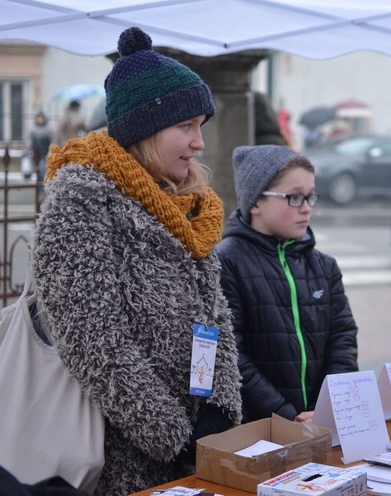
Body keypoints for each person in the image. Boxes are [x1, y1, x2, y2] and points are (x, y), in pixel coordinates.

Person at [31, 27, 243, 495]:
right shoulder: (82, 199)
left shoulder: (189, 201)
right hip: (120, 456)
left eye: (201, 126)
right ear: (145, 129)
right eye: (185, 127)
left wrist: (218, 408)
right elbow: (92, 338)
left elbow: (215, 316)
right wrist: (171, 434)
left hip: (195, 446)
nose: (199, 143)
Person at [216, 145, 359, 424]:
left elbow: (342, 339)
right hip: (261, 429)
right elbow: (231, 354)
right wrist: (287, 415)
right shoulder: (227, 262)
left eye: (309, 197)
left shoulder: (324, 266)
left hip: (321, 422)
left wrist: (329, 407)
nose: (306, 208)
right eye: (294, 197)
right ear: (256, 202)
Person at [28, 111, 53, 186]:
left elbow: (52, 140)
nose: (40, 120)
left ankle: (41, 186)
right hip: (35, 152)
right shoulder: (33, 129)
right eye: (39, 118)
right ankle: (38, 187)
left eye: (41, 118)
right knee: (37, 169)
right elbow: (29, 140)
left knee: (42, 168)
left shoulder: (48, 129)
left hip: (44, 152)